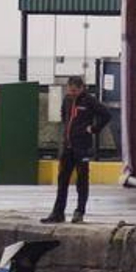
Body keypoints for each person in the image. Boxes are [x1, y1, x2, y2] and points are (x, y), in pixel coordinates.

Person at [42, 75, 111, 224]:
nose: (72, 93)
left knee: (82, 180)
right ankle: (58, 212)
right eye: (70, 90)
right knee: (62, 180)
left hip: (82, 147)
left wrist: (93, 128)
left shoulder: (89, 101)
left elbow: (106, 114)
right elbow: (64, 117)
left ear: (81, 88)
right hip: (68, 146)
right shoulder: (67, 100)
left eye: (75, 90)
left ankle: (79, 211)